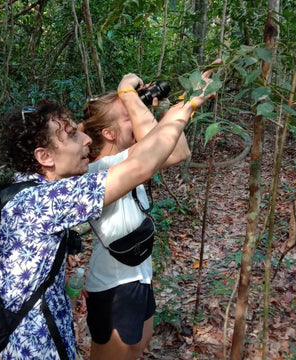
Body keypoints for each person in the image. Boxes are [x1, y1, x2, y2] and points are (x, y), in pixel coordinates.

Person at [0, 66, 216, 360]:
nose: (86, 138)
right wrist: (184, 103)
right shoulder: (45, 199)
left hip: (50, 338)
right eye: (72, 135)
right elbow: (150, 161)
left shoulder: (31, 188)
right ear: (44, 157)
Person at [80, 64, 220, 360]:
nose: (134, 115)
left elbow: (172, 143)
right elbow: (177, 151)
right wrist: (127, 94)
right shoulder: (99, 171)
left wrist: (145, 104)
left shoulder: (130, 158)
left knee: (137, 348)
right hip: (113, 287)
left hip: (137, 276)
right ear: (108, 132)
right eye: (127, 115)